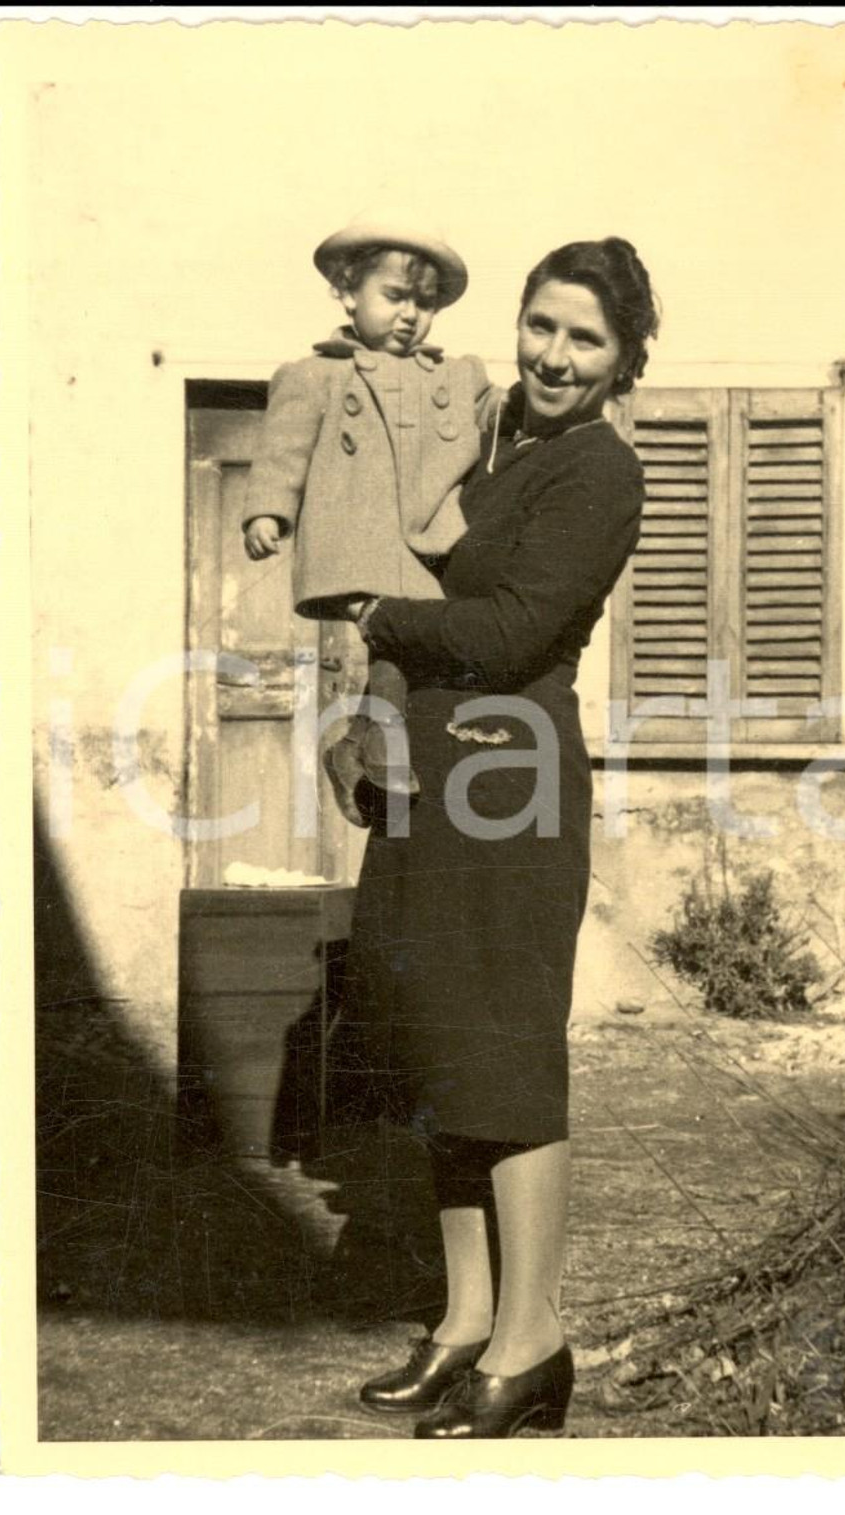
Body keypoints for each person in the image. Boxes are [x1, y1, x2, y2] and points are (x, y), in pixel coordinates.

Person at [336, 237, 659, 1438]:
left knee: (506, 1046)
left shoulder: (597, 471)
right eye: (541, 326)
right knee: (440, 1044)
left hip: (511, 780)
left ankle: (534, 1342)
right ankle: (468, 1319)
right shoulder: (490, 441)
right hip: (435, 772)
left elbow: (516, 631)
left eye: (584, 338)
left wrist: (380, 614)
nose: (554, 355)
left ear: (622, 360)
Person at [242, 218, 495, 824]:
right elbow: (285, 446)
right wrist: (267, 509)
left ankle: (358, 746)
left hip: (418, 544)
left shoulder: (448, 377)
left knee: (403, 644)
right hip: (353, 541)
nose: (410, 315)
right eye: (395, 296)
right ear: (348, 293)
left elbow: (485, 421)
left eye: (424, 303)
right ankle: (379, 751)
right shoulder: (318, 375)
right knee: (392, 637)